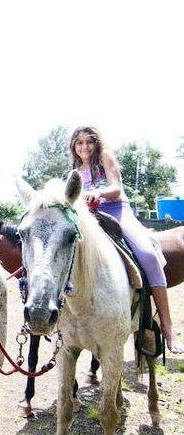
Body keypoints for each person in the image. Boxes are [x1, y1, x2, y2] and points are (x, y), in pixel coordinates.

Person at [70, 126, 182, 354]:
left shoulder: (105, 157)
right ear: (74, 146)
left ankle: (167, 327)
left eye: (89, 142)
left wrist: (99, 193)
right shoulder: (75, 170)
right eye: (79, 143)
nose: (85, 147)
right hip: (89, 217)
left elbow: (116, 188)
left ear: (96, 143)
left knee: (149, 256)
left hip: (116, 210)